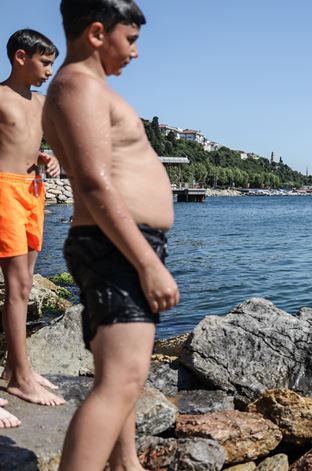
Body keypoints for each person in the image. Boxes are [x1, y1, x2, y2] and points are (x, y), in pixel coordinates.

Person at [42, 0, 179, 469]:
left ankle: (126, 463)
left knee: (117, 375)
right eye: (132, 40)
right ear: (98, 33)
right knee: (121, 379)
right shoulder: (78, 85)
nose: (136, 53)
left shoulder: (87, 87)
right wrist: (147, 263)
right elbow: (94, 182)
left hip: (118, 243)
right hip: (116, 245)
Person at [0, 28, 64, 429]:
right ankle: (20, 377)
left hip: (33, 191)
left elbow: (28, 142)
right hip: (4, 189)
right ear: (20, 57)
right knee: (16, 283)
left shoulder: (40, 103)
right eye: (44, 62)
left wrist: (45, 157)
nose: (49, 71)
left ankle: (15, 371)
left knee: (23, 286)